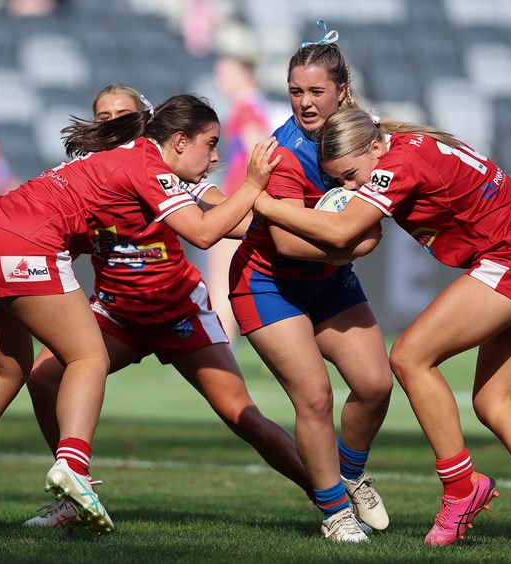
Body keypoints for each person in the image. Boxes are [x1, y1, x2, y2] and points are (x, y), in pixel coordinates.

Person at [0, 93, 281, 537]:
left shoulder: (115, 160)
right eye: (212, 143)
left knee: (6, 369)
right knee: (89, 358)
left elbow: (221, 213)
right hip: (24, 244)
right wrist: (255, 182)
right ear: (179, 139)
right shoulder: (148, 162)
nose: (217, 154)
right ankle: (73, 467)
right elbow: (206, 231)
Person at [255, 107, 511, 549]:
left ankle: (461, 488)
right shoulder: (400, 148)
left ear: (372, 147)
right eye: (340, 181)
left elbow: (343, 230)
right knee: (493, 400)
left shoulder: (397, 164)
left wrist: (263, 202)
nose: (349, 188)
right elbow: (360, 236)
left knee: (409, 357)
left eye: (350, 175)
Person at [22, 84, 312, 528]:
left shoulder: (166, 171)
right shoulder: (87, 175)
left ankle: (330, 499)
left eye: (122, 112)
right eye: (102, 115)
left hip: (178, 312)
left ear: (146, 121)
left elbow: (220, 216)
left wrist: (302, 222)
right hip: (117, 312)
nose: (111, 120)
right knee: (43, 380)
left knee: (242, 415)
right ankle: (73, 493)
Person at [228, 22, 393, 543]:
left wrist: (356, 240)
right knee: (316, 399)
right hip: (267, 283)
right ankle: (335, 513)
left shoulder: (364, 134)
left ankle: (348, 473)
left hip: (328, 280)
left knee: (375, 385)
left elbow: (376, 219)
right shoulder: (283, 152)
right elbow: (289, 245)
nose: (304, 102)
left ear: (342, 90)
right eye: (296, 91)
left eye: (316, 91)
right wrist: (357, 240)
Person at [208, 52, 274, 344]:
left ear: (244, 73)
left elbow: (256, 150)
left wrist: (248, 194)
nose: (219, 79)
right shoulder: (253, 104)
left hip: (237, 201)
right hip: (243, 199)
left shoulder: (247, 107)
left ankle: (222, 346)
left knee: (220, 277)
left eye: (225, 72)